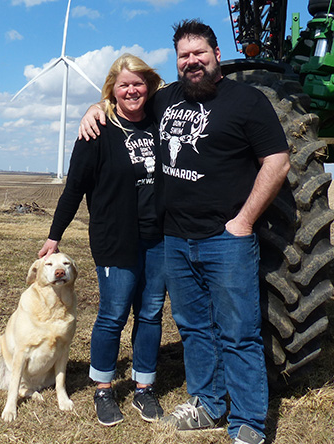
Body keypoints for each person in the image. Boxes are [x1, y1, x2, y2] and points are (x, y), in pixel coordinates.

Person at [78, 20, 290, 444]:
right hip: (174, 238)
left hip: (226, 238)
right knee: (193, 327)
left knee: (238, 332)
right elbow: (127, 102)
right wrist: (95, 107)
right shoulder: (167, 99)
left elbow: (278, 161)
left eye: (200, 53)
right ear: (176, 61)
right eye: (184, 56)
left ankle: (248, 421)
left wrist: (243, 222)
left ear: (215, 53)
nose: (192, 61)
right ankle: (209, 404)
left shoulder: (247, 101)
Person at [38, 54, 166, 427]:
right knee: (113, 314)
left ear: (150, 86)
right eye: (124, 84)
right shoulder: (97, 132)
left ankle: (144, 387)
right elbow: (74, 187)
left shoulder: (160, 123)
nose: (132, 90)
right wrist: (54, 236)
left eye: (139, 83)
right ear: (112, 89)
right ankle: (104, 388)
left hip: (158, 237)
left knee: (151, 312)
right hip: (115, 237)